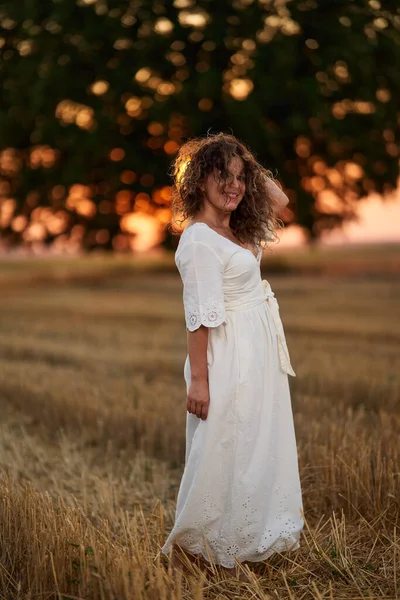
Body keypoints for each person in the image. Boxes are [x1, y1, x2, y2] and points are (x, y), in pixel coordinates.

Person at [161, 132, 303, 579]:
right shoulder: (200, 240)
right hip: (228, 356)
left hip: (258, 349)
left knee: (258, 443)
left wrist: (242, 158)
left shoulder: (236, 227)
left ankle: (243, 540)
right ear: (199, 180)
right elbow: (199, 317)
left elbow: (278, 201)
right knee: (224, 446)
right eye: (222, 175)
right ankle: (199, 546)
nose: (234, 186)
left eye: (240, 178)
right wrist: (199, 381)